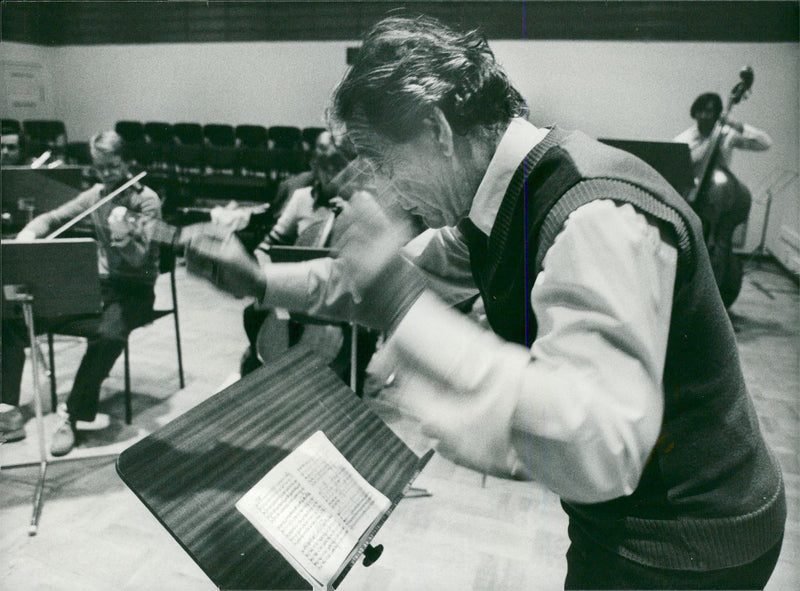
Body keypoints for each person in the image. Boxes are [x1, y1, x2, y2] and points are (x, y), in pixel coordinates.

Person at [185, 15, 785, 589]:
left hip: (687, 544)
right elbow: (374, 279)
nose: (389, 188)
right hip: (636, 523)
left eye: (386, 163)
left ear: (438, 132)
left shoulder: (591, 215)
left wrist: (400, 305)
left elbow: (602, 447)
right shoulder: (495, 202)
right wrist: (259, 278)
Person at [2, 130, 162, 456]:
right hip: (100, 287)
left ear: (126, 162)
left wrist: (124, 236)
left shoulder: (145, 201)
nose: (107, 175)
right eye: (100, 168)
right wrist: (28, 235)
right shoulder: (96, 194)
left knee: (109, 337)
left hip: (135, 292)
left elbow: (138, 259)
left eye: (113, 166)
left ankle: (71, 416)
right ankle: (8, 412)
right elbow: (52, 218)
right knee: (14, 320)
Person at [674, 91, 772, 184]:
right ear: (694, 114)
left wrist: (737, 125)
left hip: (718, 189)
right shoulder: (682, 140)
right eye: (699, 111)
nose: (703, 116)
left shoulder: (727, 135)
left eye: (708, 112)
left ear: (717, 114)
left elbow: (765, 143)